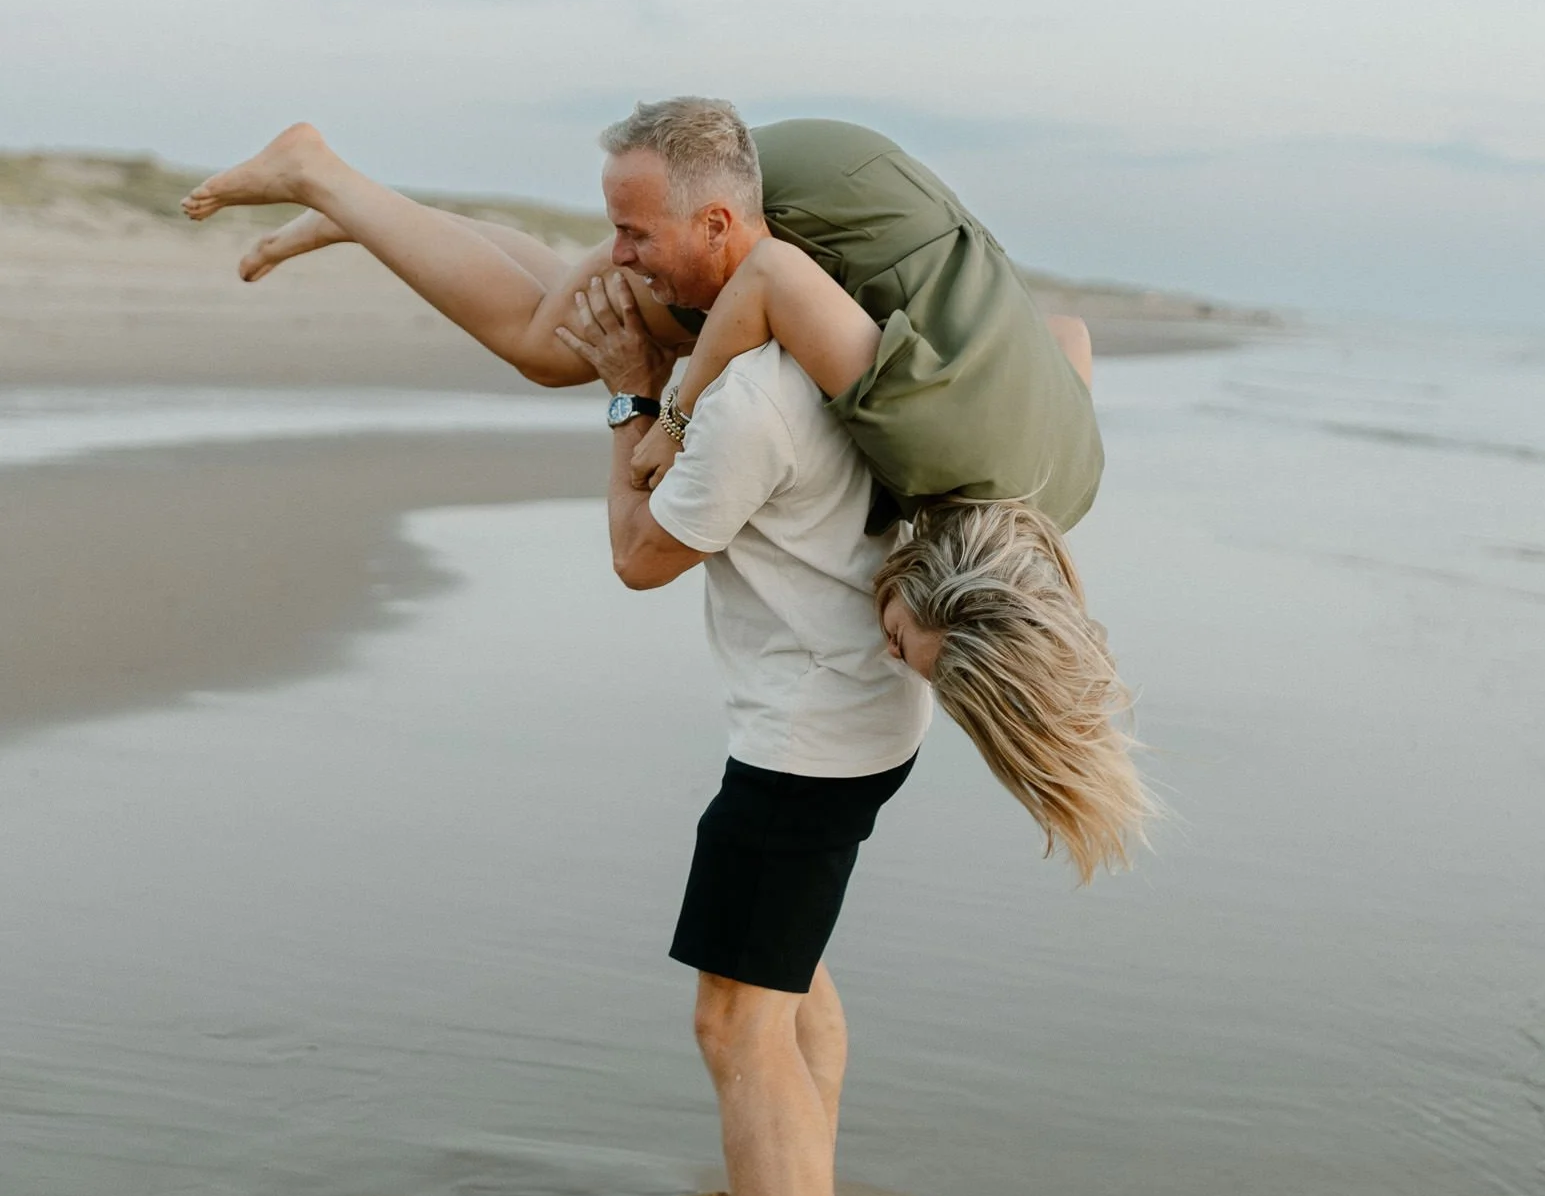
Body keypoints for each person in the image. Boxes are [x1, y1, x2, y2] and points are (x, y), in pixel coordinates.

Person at [184, 101, 1145, 873]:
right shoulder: (937, 446)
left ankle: (363, 210)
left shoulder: (1062, 490)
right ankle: (321, 172)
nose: (889, 644)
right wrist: (670, 417)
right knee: (551, 348)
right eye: (905, 640)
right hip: (823, 202)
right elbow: (770, 268)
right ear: (956, 595)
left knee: (583, 291)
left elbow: (1064, 338)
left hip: (886, 194)